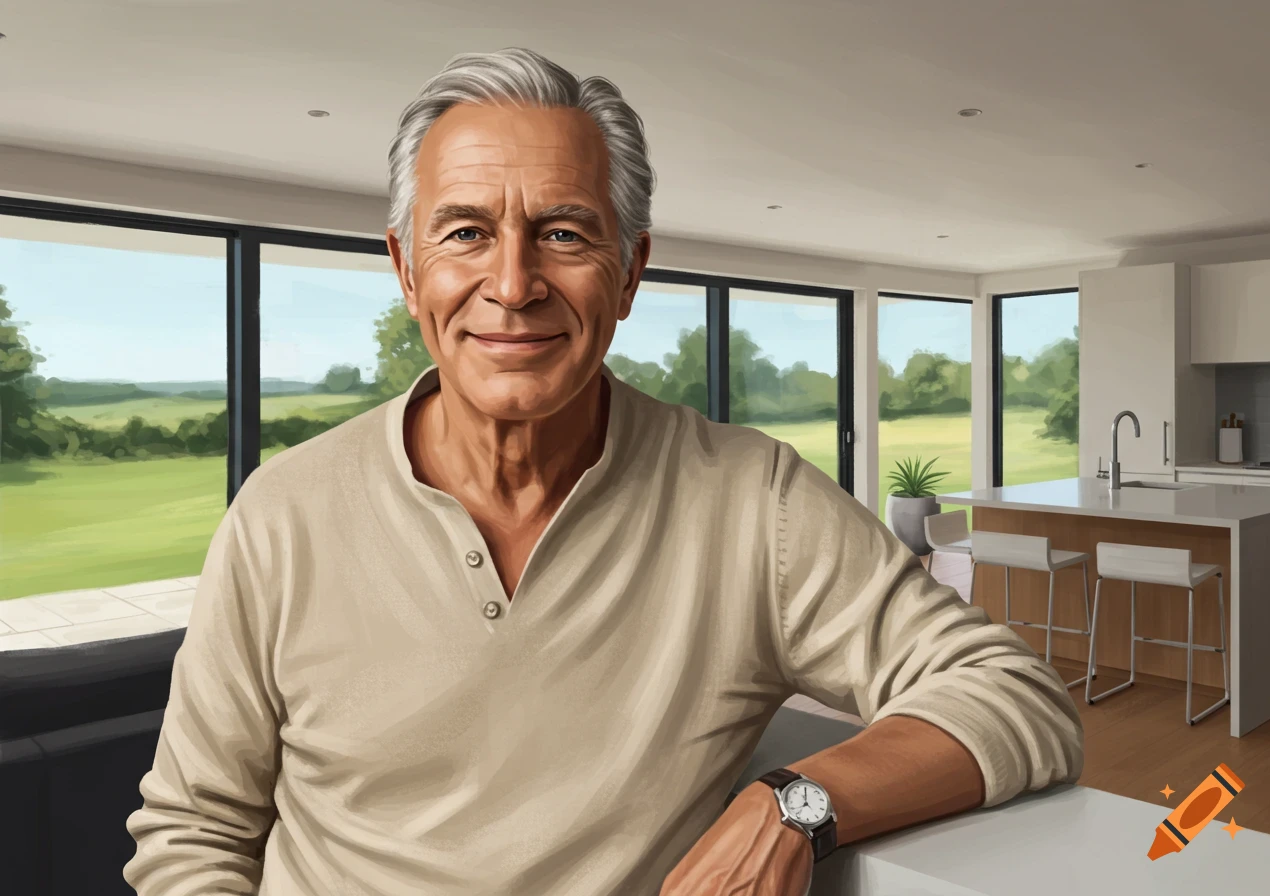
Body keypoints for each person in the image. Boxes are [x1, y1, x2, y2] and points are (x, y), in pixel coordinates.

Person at [124, 47, 1083, 896]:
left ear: (629, 271)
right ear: (407, 268)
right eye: (464, 232)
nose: (512, 283)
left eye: (565, 233)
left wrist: (796, 804)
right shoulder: (281, 514)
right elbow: (192, 833)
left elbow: (1013, 694)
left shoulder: (754, 502)